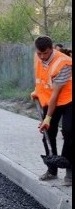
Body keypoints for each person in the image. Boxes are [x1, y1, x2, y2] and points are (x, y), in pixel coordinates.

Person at [30, 36, 72, 186]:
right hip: (49, 100)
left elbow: (56, 94)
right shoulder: (37, 58)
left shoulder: (64, 63)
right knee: (47, 134)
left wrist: (47, 118)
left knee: (69, 131)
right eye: (39, 53)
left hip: (68, 100)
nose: (42, 57)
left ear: (52, 48)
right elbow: (41, 79)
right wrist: (36, 91)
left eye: (46, 53)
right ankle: (52, 170)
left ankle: (69, 169)